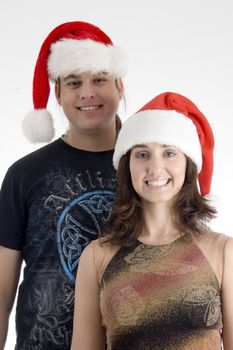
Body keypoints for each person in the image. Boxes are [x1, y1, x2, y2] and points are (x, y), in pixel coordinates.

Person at [71, 91, 233, 350]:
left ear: (187, 164)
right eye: (142, 154)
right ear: (128, 166)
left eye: (169, 153)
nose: (155, 168)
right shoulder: (97, 256)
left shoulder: (223, 251)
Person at [0, 21, 127, 349]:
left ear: (119, 86)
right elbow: (1, 294)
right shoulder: (25, 174)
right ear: (58, 92)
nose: (87, 92)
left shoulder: (150, 170)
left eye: (99, 79)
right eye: (74, 82)